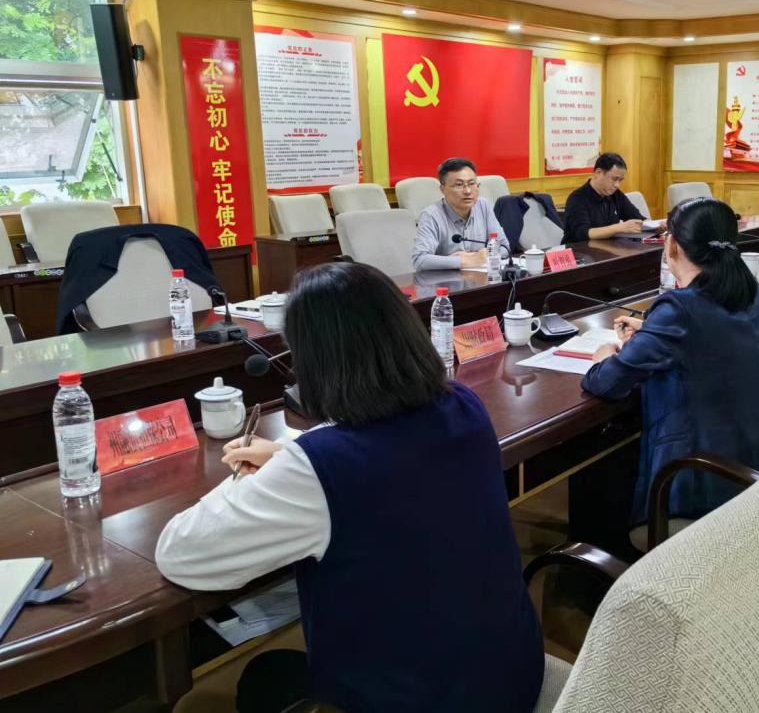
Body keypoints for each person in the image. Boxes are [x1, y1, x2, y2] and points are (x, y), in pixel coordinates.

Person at [155, 263, 543, 713]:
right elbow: (390, 463)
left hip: (420, 698)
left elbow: (179, 554)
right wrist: (290, 456)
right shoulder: (464, 403)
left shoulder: (318, 470)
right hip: (509, 675)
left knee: (262, 679)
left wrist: (244, 474)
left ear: (315, 361)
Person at [581, 197, 759, 530]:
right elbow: (709, 331)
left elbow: (607, 382)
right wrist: (651, 329)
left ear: (672, 245)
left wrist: (605, 354)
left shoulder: (679, 310)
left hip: (703, 486)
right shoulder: (750, 291)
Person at [411, 157, 511, 271]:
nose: (467, 191)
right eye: (459, 185)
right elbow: (419, 260)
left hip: (480, 277)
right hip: (447, 280)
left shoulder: (483, 206)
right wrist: (464, 261)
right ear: (443, 189)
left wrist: (481, 256)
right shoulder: (431, 215)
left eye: (471, 184)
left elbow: (504, 247)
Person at [562, 152, 659, 243]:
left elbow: (637, 218)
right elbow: (583, 233)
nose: (617, 185)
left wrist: (655, 227)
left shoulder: (615, 194)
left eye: (620, 180)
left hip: (608, 248)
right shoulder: (577, 198)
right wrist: (619, 228)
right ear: (598, 173)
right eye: (614, 179)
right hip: (580, 251)